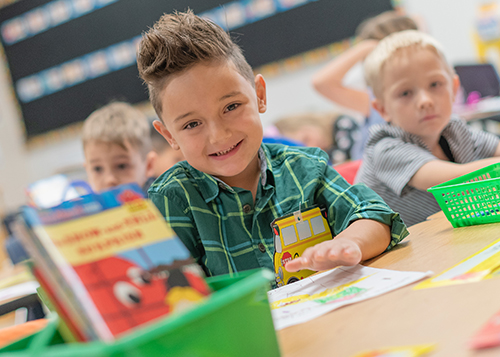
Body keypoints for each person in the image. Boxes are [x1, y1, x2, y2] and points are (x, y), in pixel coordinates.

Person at [137, 10, 408, 278]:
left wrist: (349, 243)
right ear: (169, 135)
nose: (219, 136)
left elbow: (376, 216)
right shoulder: (172, 199)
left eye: (231, 106)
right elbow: (174, 294)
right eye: (192, 124)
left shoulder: (304, 168)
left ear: (259, 95)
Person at [355, 30, 500, 226]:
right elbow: (454, 181)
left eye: (435, 84)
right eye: (405, 93)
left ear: (454, 88)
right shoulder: (385, 147)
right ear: (382, 109)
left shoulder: (454, 129)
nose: (425, 101)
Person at [312, 11, 418, 160]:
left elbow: (321, 82)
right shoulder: (376, 99)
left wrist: (367, 47)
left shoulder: (388, 101)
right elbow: (320, 83)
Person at [82, 102, 155, 194]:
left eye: (121, 166)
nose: (109, 180)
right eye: (97, 169)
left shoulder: (162, 203)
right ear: (87, 170)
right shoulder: (92, 206)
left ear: (149, 165)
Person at [273, 112, 359, 165]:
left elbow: (344, 159)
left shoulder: (342, 124)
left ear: (309, 123)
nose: (312, 147)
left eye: (306, 139)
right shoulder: (325, 155)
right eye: (305, 149)